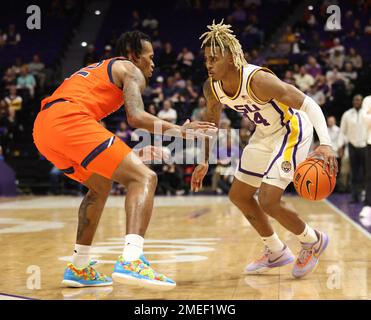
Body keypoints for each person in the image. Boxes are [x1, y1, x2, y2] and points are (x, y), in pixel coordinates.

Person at [33, 30, 216, 289]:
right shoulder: (130, 69)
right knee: (144, 177)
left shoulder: (101, 71)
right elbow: (136, 118)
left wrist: (132, 154)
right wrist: (181, 131)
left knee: (100, 186)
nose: (153, 64)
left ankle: (79, 266)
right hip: (69, 120)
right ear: (133, 55)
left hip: (44, 129)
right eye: (149, 57)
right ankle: (132, 260)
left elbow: (90, 129)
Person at [192, 21, 337, 278]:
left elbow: (308, 103)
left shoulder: (258, 79)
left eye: (214, 58)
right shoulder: (212, 87)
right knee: (239, 195)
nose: (208, 64)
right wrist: (204, 160)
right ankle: (276, 250)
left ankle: (312, 239)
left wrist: (325, 143)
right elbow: (210, 125)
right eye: (206, 59)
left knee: (269, 200)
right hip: (265, 134)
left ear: (232, 57)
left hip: (292, 130)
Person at [339, 95, 367, 203]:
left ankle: (366, 196)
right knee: (354, 172)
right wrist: (341, 146)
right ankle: (355, 196)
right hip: (352, 145)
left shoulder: (367, 113)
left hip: (365, 146)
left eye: (359, 100)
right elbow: (342, 131)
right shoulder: (347, 114)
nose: (357, 101)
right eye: (355, 100)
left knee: (366, 173)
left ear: (362, 102)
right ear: (352, 101)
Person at [360, 95, 371, 223]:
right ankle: (368, 205)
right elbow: (366, 120)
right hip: (370, 142)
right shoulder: (368, 100)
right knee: (369, 176)